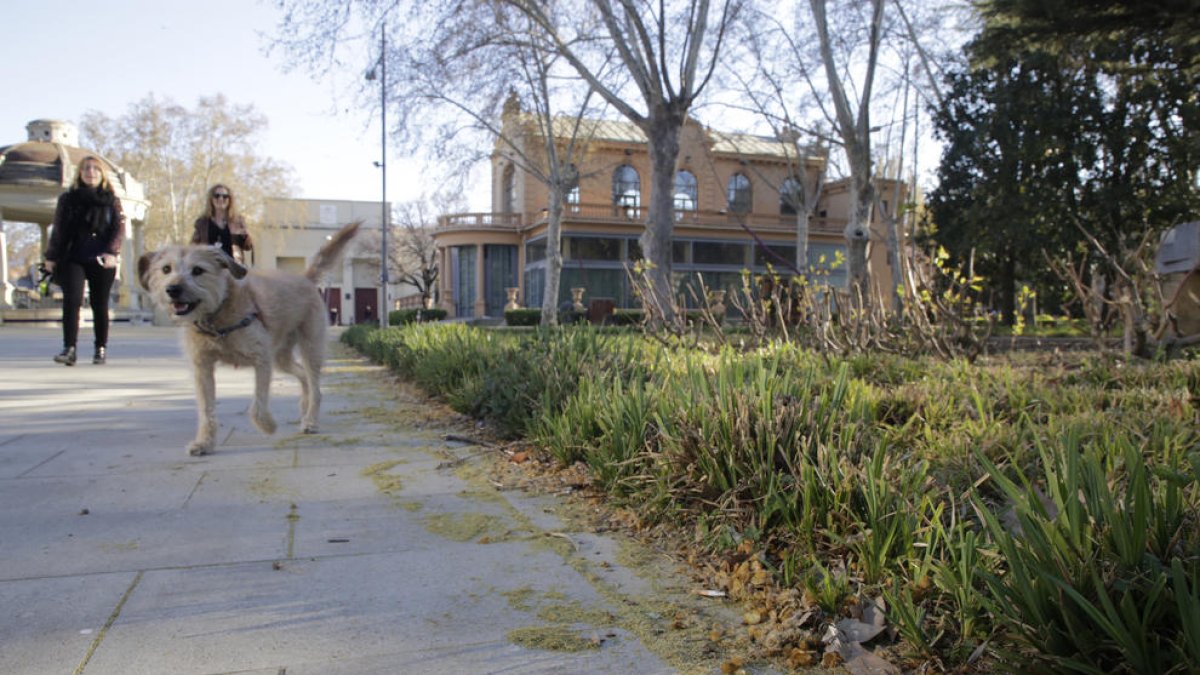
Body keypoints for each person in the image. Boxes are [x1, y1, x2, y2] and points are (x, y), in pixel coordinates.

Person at [43, 156, 125, 366]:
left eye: (95, 169)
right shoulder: (68, 199)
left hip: (101, 259)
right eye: (86, 168)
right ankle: (69, 348)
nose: (91, 172)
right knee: (72, 302)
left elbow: (118, 229)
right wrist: (51, 256)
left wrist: (112, 253)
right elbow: (59, 229)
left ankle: (100, 348)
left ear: (102, 174)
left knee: (99, 304)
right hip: (74, 256)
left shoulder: (111, 200)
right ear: (80, 173)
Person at [191, 184, 253, 263]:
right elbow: (193, 248)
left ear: (230, 200)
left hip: (233, 268)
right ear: (211, 199)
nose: (221, 199)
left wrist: (245, 235)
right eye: (217, 196)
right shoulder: (202, 223)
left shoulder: (237, 221)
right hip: (210, 268)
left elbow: (247, 247)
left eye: (225, 196)